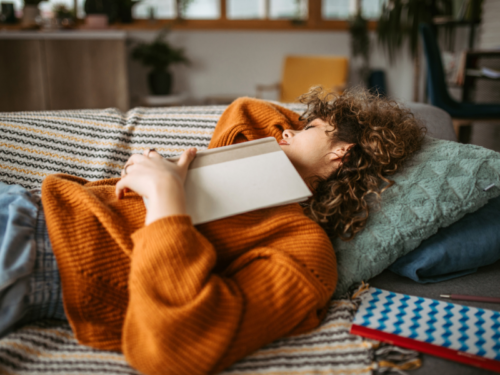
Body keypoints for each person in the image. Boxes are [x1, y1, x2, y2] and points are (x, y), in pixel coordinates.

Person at [0, 86, 425, 375]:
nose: (286, 128)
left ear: (341, 154)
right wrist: (303, 138)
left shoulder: (304, 250)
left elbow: (176, 346)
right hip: (25, 202)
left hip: (34, 252)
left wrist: (165, 197)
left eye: (309, 128)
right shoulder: (241, 167)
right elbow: (246, 111)